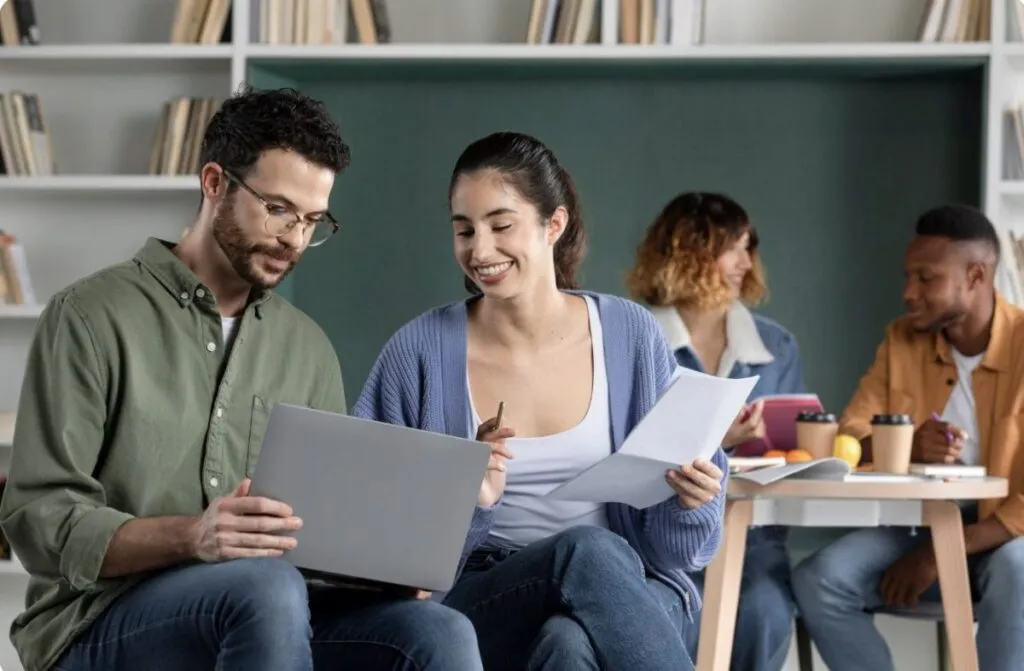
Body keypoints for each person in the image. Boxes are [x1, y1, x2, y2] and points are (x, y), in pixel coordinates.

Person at [0, 86, 483, 671]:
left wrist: (379, 574)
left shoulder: (307, 349)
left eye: (312, 220)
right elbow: (39, 518)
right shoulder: (89, 316)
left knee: (436, 632)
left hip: (264, 610)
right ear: (213, 183)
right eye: (278, 209)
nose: (294, 238)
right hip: (100, 619)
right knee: (263, 588)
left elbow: (311, 542)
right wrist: (193, 536)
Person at [352, 131, 727, 671]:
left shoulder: (629, 334)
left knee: (568, 642)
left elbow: (678, 555)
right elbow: (371, 541)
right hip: (478, 598)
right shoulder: (418, 353)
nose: (480, 251)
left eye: (501, 225)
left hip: (626, 589)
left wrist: (690, 504)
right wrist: (469, 498)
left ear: (555, 224)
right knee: (583, 551)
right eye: (464, 230)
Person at [791, 204, 1024, 671]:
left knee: (1019, 570)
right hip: (917, 527)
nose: (908, 293)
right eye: (907, 277)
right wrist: (907, 444)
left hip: (1005, 536)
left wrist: (942, 552)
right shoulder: (901, 339)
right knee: (821, 579)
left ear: (976, 276)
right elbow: (850, 439)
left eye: (926, 278)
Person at [627, 191, 805, 671]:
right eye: (734, 248)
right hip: (660, 542)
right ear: (689, 251)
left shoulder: (776, 345)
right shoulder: (633, 337)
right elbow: (623, 447)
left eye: (750, 248)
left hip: (754, 541)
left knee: (764, 612)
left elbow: (795, 449)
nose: (747, 263)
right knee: (665, 618)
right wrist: (717, 442)